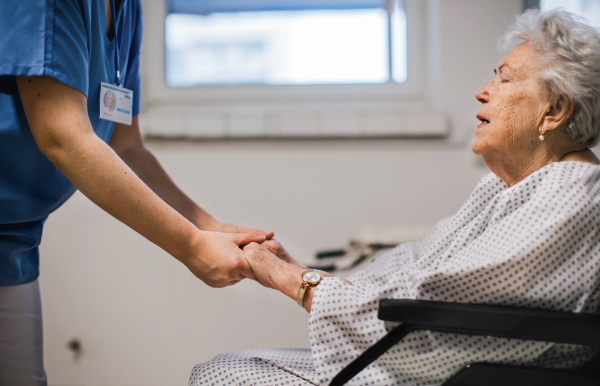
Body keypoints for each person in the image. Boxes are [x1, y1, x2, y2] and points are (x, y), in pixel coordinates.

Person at [190, 9, 600, 386]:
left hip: (460, 375)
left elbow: (437, 297)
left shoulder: (571, 196)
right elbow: (418, 264)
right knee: (229, 367)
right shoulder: (514, 185)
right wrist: (304, 273)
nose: (482, 91)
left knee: (222, 376)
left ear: (555, 110)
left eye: (505, 79)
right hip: (437, 365)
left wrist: (293, 281)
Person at [0, 1, 272, 385]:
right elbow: (63, 136)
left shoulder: (127, 8)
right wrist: (192, 246)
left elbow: (126, 146)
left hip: (14, 238)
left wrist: (211, 227)